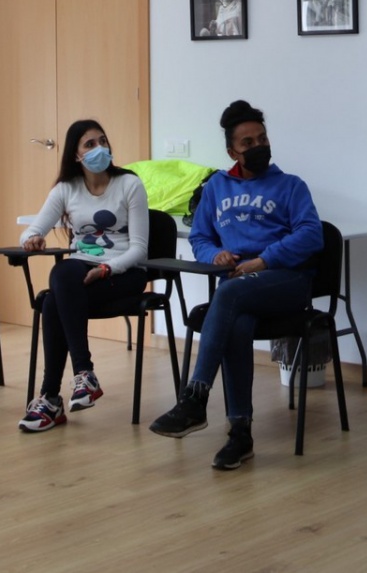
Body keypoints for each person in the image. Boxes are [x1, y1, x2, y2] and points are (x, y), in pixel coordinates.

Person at [149, 100, 323, 470]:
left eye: (262, 138)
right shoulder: (216, 187)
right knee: (236, 321)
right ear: (232, 151)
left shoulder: (291, 186)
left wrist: (264, 260)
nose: (258, 146)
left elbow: (312, 235)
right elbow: (199, 237)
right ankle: (240, 434)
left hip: (286, 282)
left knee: (226, 295)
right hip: (240, 289)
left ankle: (194, 399)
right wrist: (215, 255)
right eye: (248, 142)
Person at [17, 119, 150, 433]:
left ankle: (53, 398)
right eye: (89, 144)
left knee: (55, 298)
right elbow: (33, 229)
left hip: (124, 272)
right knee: (59, 282)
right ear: (76, 155)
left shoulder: (129, 184)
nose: (99, 148)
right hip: (82, 272)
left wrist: (108, 268)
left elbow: (140, 250)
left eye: (102, 141)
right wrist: (32, 240)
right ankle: (80, 377)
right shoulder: (66, 189)